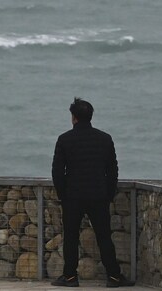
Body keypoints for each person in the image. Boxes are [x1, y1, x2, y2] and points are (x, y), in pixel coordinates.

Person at [50, 97, 133, 287]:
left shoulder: (64, 140)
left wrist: (63, 195)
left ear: (74, 118)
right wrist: (108, 194)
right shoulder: (105, 139)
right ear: (90, 116)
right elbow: (112, 170)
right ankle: (113, 276)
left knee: (71, 237)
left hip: (73, 197)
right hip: (98, 196)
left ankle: (70, 277)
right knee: (104, 236)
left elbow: (57, 172)